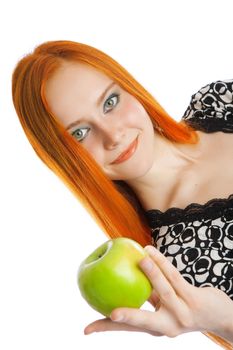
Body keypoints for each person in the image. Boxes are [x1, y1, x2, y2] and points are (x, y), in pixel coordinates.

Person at [11, 40, 233, 349]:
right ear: (65, 158)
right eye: (79, 133)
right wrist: (224, 321)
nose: (113, 135)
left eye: (110, 102)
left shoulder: (220, 101)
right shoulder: (175, 263)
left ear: (129, 88)